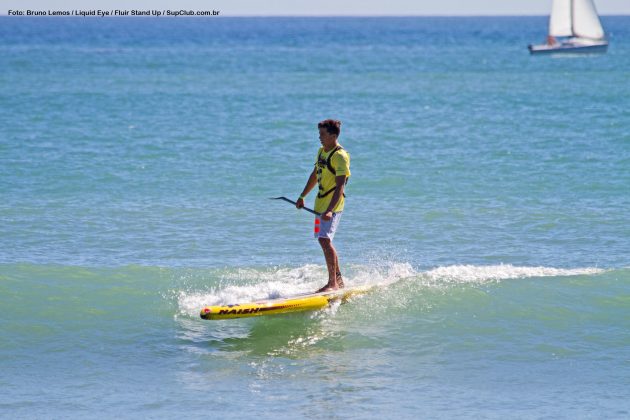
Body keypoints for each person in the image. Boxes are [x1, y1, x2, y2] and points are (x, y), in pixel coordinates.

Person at [296, 119, 351, 292]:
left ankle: (332, 283)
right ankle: (338, 280)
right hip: (320, 205)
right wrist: (302, 195)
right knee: (324, 241)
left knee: (325, 240)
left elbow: (340, 185)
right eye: (319, 133)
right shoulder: (321, 152)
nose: (319, 137)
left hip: (332, 206)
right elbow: (315, 175)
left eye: (322, 134)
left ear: (333, 136)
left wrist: (329, 210)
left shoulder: (340, 156)